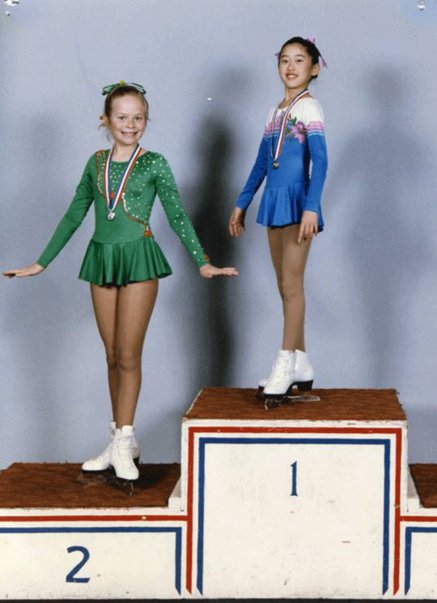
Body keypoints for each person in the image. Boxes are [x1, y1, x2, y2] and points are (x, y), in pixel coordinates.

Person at [4, 81, 238, 480]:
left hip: (139, 260)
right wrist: (40, 263)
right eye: (122, 117)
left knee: (129, 355)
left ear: (146, 120)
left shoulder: (154, 163)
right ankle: (117, 440)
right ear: (106, 120)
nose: (130, 125)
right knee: (111, 354)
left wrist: (203, 263)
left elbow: (178, 216)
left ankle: (125, 439)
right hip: (101, 259)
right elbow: (74, 214)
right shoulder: (95, 164)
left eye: (138, 118)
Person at [228, 37, 328, 405]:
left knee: (293, 283)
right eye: (284, 60)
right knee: (283, 285)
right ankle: (300, 361)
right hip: (273, 202)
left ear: (313, 68)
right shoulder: (275, 113)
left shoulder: (310, 108)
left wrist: (312, 206)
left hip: (299, 203)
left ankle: (285, 360)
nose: (290, 67)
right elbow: (260, 161)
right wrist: (242, 202)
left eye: (299, 60)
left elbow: (321, 160)